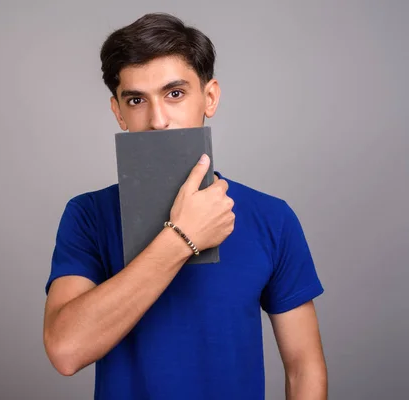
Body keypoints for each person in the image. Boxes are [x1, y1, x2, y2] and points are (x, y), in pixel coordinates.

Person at [43, 12, 327, 400]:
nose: (158, 120)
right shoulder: (88, 215)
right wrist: (181, 238)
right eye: (137, 99)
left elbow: (303, 367)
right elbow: (65, 350)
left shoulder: (271, 218)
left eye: (174, 93)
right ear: (118, 112)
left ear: (209, 98)